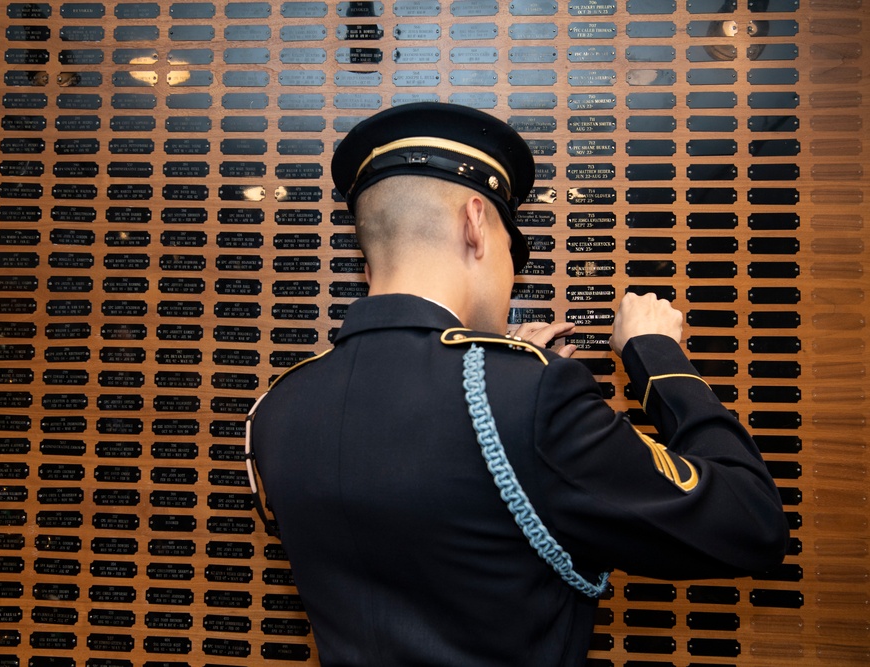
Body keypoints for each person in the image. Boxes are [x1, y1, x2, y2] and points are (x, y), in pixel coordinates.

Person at [247, 102, 789, 666]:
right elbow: (752, 522)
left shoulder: (279, 407)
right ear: (476, 224)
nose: (512, 275)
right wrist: (657, 356)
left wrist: (514, 373)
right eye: (514, 250)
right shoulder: (530, 396)